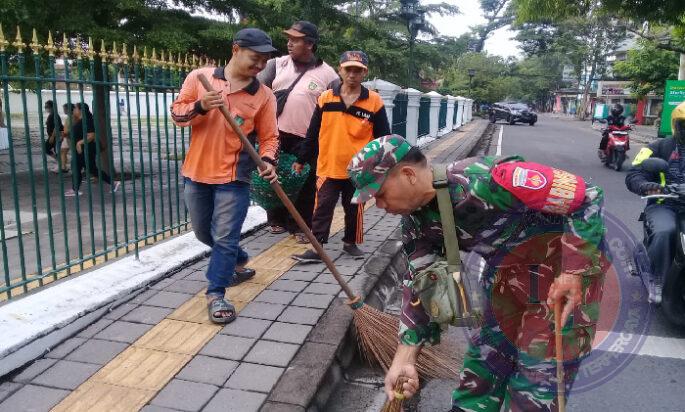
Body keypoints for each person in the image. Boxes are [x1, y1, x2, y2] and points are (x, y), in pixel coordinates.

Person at [347, 135, 607, 411]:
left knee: (535, 389)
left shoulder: (490, 180)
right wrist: (405, 359)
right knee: (481, 375)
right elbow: (421, 286)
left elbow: (588, 197)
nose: (380, 205)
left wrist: (573, 272)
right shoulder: (416, 223)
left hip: (559, 286)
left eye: (380, 194)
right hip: (505, 283)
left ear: (408, 174)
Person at [171, 28, 279, 324]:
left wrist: (268, 161)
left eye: (264, 61)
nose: (259, 66)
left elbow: (270, 138)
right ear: (235, 49)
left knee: (224, 237)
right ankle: (239, 259)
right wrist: (201, 106)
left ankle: (216, 293)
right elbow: (177, 115)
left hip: (234, 177)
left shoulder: (264, 96)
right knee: (203, 233)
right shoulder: (200, 78)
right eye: (254, 59)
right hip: (196, 172)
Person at [292, 51, 390, 262]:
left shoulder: (374, 102)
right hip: (329, 165)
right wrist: (301, 159)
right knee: (322, 207)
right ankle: (317, 248)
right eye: (348, 69)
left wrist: (382, 168)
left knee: (354, 208)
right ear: (340, 70)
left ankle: (350, 243)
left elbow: (383, 137)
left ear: (365, 73)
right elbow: (313, 132)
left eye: (358, 70)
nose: (352, 74)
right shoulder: (326, 98)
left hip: (360, 169)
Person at [257, 21, 339, 242]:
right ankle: (275, 219)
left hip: (308, 139)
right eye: (289, 39)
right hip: (275, 134)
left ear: (310, 44)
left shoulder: (328, 74)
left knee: (306, 183)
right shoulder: (276, 65)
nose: (289, 43)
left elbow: (336, 107)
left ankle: (299, 226)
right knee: (273, 177)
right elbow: (256, 91)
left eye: (295, 40)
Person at [625, 101, 685, 304]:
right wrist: (648, 186)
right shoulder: (658, 147)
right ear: (676, 125)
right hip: (664, 203)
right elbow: (635, 173)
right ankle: (657, 277)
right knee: (664, 231)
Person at [64, 103, 119, 197]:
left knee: (84, 168)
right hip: (81, 150)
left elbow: (91, 135)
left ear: (81, 110)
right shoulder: (81, 120)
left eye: (76, 108)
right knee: (82, 168)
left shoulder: (87, 121)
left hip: (86, 149)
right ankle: (75, 189)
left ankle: (75, 190)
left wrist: (79, 143)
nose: (74, 110)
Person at [43, 100, 65, 172]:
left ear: (52, 107)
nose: (46, 108)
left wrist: (52, 136)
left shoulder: (55, 115)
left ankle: (62, 166)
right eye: (45, 107)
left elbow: (57, 126)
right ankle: (61, 164)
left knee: (57, 151)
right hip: (53, 136)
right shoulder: (51, 115)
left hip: (56, 136)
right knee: (47, 148)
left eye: (47, 107)